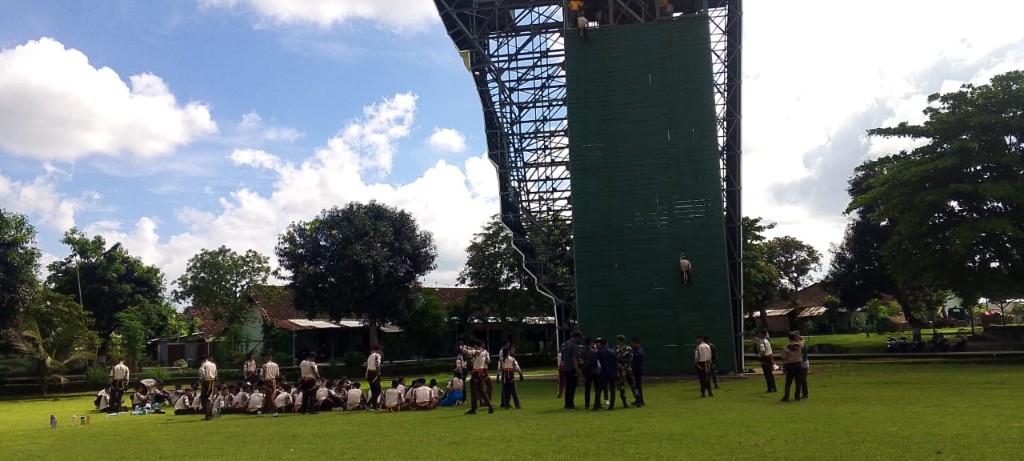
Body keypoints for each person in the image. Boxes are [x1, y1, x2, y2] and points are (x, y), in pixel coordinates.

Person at [460, 340, 494, 414]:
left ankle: (474, 409)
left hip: (476, 373)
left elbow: (466, 351)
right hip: (481, 372)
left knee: (473, 391)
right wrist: (467, 347)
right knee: (482, 391)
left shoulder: (477, 352)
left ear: (477, 346)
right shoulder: (485, 351)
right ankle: (490, 406)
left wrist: (462, 347)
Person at [497, 342, 524, 409]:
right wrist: (520, 374)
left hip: (504, 376)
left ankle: (506, 404)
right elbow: (517, 367)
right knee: (513, 391)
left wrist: (498, 377)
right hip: (511, 375)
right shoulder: (512, 359)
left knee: (506, 391)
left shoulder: (501, 360)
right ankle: (517, 405)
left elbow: (499, 369)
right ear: (508, 352)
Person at [592, 338, 617, 410]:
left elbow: (596, 363)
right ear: (606, 344)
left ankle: (596, 405)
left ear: (601, 344)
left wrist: (598, 371)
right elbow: (615, 363)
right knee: (612, 390)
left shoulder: (598, 353)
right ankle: (611, 406)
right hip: (612, 373)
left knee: (599, 389)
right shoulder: (612, 352)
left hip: (602, 373)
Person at [614, 334, 637, 408]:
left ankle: (625, 404)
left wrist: (622, 370)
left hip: (621, 370)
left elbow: (617, 361)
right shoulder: (629, 348)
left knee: (622, 387)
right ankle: (638, 401)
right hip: (628, 369)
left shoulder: (617, 349)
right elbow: (630, 360)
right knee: (633, 385)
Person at [780, 332, 805, 402]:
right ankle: (797, 396)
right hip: (799, 364)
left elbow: (783, 358)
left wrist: (784, 367)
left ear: (788, 338)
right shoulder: (799, 345)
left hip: (790, 365)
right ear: (795, 338)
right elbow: (803, 339)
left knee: (788, 382)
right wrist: (797, 335)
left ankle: (786, 397)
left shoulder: (786, 347)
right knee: (798, 382)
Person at [560, 331, 582, 409]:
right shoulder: (574, 346)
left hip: (565, 368)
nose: (580, 340)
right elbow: (574, 359)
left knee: (568, 386)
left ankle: (567, 403)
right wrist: (577, 370)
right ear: (576, 337)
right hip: (572, 369)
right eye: (579, 338)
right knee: (572, 387)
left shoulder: (566, 344)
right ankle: (570, 404)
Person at [581, 337, 598, 409]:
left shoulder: (583, 352)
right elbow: (595, 362)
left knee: (587, 389)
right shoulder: (594, 352)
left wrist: (583, 374)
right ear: (591, 343)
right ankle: (597, 403)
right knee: (597, 388)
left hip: (586, 371)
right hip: (593, 371)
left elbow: (581, 363)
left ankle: (587, 404)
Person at [198, 355, 218, 420]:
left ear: (202, 360)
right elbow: (216, 374)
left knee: (204, 398)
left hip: (206, 381)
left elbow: (201, 373)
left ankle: (208, 415)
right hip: (212, 381)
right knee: (208, 398)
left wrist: (201, 381)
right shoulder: (213, 364)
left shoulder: (203, 365)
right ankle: (210, 414)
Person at [366, 345, 383, 410]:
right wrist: (379, 374)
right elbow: (378, 364)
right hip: (374, 374)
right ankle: (368, 403)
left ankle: (374, 406)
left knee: (374, 391)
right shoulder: (377, 355)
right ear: (378, 350)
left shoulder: (370, 356)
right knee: (378, 390)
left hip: (369, 374)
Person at [631, 337, 646, 407]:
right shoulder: (637, 350)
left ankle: (640, 400)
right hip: (637, 370)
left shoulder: (638, 352)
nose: (631, 344)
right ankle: (638, 399)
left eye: (632, 343)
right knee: (636, 386)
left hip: (637, 371)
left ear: (635, 343)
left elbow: (637, 363)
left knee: (638, 386)